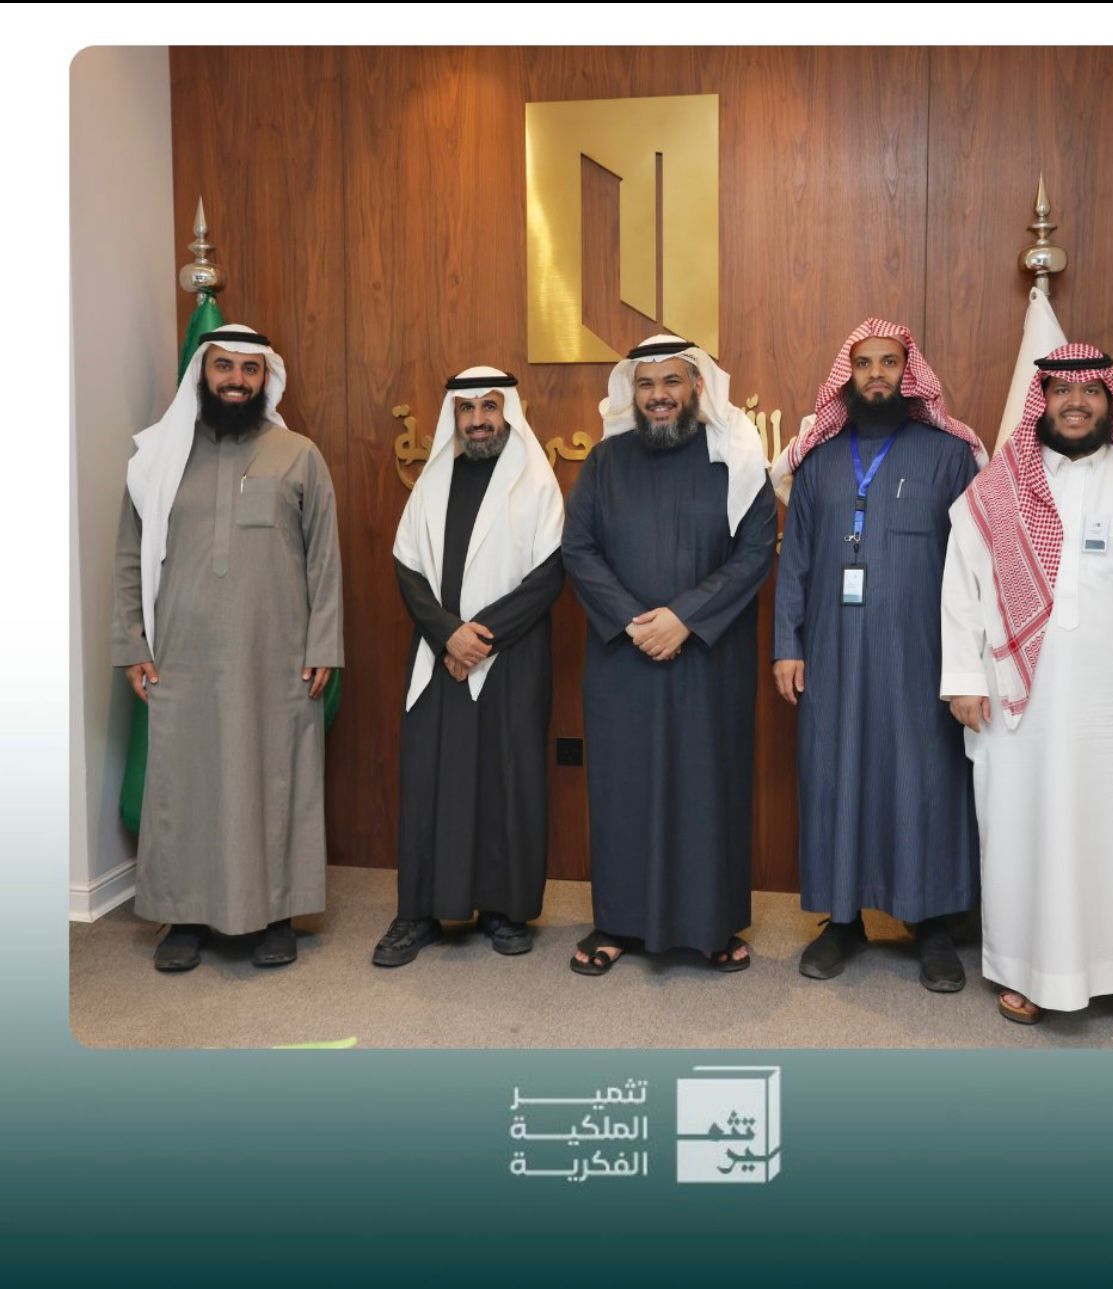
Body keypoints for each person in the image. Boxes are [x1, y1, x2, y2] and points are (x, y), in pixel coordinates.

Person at [940, 343, 1113, 1047]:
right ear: (1044, 401)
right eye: (1061, 391)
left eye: (1090, 391)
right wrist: (963, 677)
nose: (1076, 403)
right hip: (1019, 707)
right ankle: (1029, 969)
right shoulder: (997, 488)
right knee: (1022, 832)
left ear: (1110, 401)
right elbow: (961, 586)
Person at [112, 325, 343, 971]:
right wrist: (131, 644)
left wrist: (324, 644)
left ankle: (277, 916)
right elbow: (129, 556)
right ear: (202, 373)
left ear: (266, 377)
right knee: (184, 784)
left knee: (276, 780)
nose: (236, 380)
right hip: (180, 656)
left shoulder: (299, 454)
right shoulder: (159, 460)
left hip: (277, 657)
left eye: (249, 369)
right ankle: (184, 916)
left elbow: (325, 559)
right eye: (224, 367)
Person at [771, 319, 988, 991]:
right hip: (832, 650)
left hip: (922, 654)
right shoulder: (820, 461)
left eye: (888, 362)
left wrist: (970, 662)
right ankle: (842, 920)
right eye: (863, 363)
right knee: (836, 772)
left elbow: (974, 564)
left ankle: (934, 926)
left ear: (907, 371)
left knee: (924, 777)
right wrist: (787, 645)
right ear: (848, 374)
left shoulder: (947, 456)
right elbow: (795, 561)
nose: (875, 374)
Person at [563, 335, 777, 975]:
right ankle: (617, 922)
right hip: (624, 659)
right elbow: (578, 549)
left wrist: (685, 617)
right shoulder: (604, 462)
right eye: (647, 384)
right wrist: (636, 622)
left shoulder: (735, 460)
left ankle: (710, 926)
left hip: (709, 657)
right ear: (633, 393)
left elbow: (755, 551)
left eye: (671, 382)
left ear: (697, 388)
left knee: (707, 788)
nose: (659, 396)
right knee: (623, 789)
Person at [372, 368, 564, 966]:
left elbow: (549, 575)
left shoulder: (537, 482)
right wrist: (448, 635)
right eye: (466, 409)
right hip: (438, 655)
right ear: (453, 417)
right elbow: (407, 568)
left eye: (489, 407)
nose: (478, 420)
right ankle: (419, 913)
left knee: (506, 778)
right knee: (431, 779)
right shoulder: (431, 484)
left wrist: (480, 639)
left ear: (508, 413)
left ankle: (505, 910)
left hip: (511, 657)